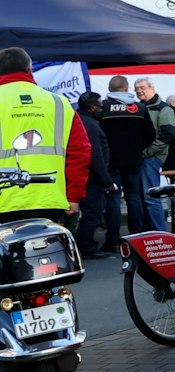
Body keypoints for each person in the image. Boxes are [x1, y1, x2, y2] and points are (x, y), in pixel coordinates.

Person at [0, 46, 91, 227]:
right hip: (50, 200)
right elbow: (80, 151)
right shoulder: (60, 103)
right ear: (29, 69)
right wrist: (73, 196)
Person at [99, 75, 157, 234]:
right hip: (133, 160)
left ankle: (112, 239)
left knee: (113, 198)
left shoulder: (103, 108)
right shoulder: (140, 108)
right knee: (134, 198)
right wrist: (137, 148)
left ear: (110, 89)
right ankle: (137, 235)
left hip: (110, 161)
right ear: (126, 88)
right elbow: (151, 135)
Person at [73, 92, 118, 256]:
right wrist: (106, 179)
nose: (102, 110)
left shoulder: (81, 120)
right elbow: (95, 155)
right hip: (91, 177)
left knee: (89, 212)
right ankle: (86, 246)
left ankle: (82, 244)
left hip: (86, 175)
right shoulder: (90, 125)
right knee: (92, 212)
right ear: (92, 107)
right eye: (100, 106)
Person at [134, 78, 175, 228]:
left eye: (142, 87)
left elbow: (169, 134)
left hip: (151, 157)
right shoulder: (140, 107)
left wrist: (147, 152)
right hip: (144, 157)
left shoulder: (163, 109)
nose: (139, 90)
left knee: (151, 197)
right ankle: (150, 233)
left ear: (152, 87)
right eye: (136, 88)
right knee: (143, 196)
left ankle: (160, 233)